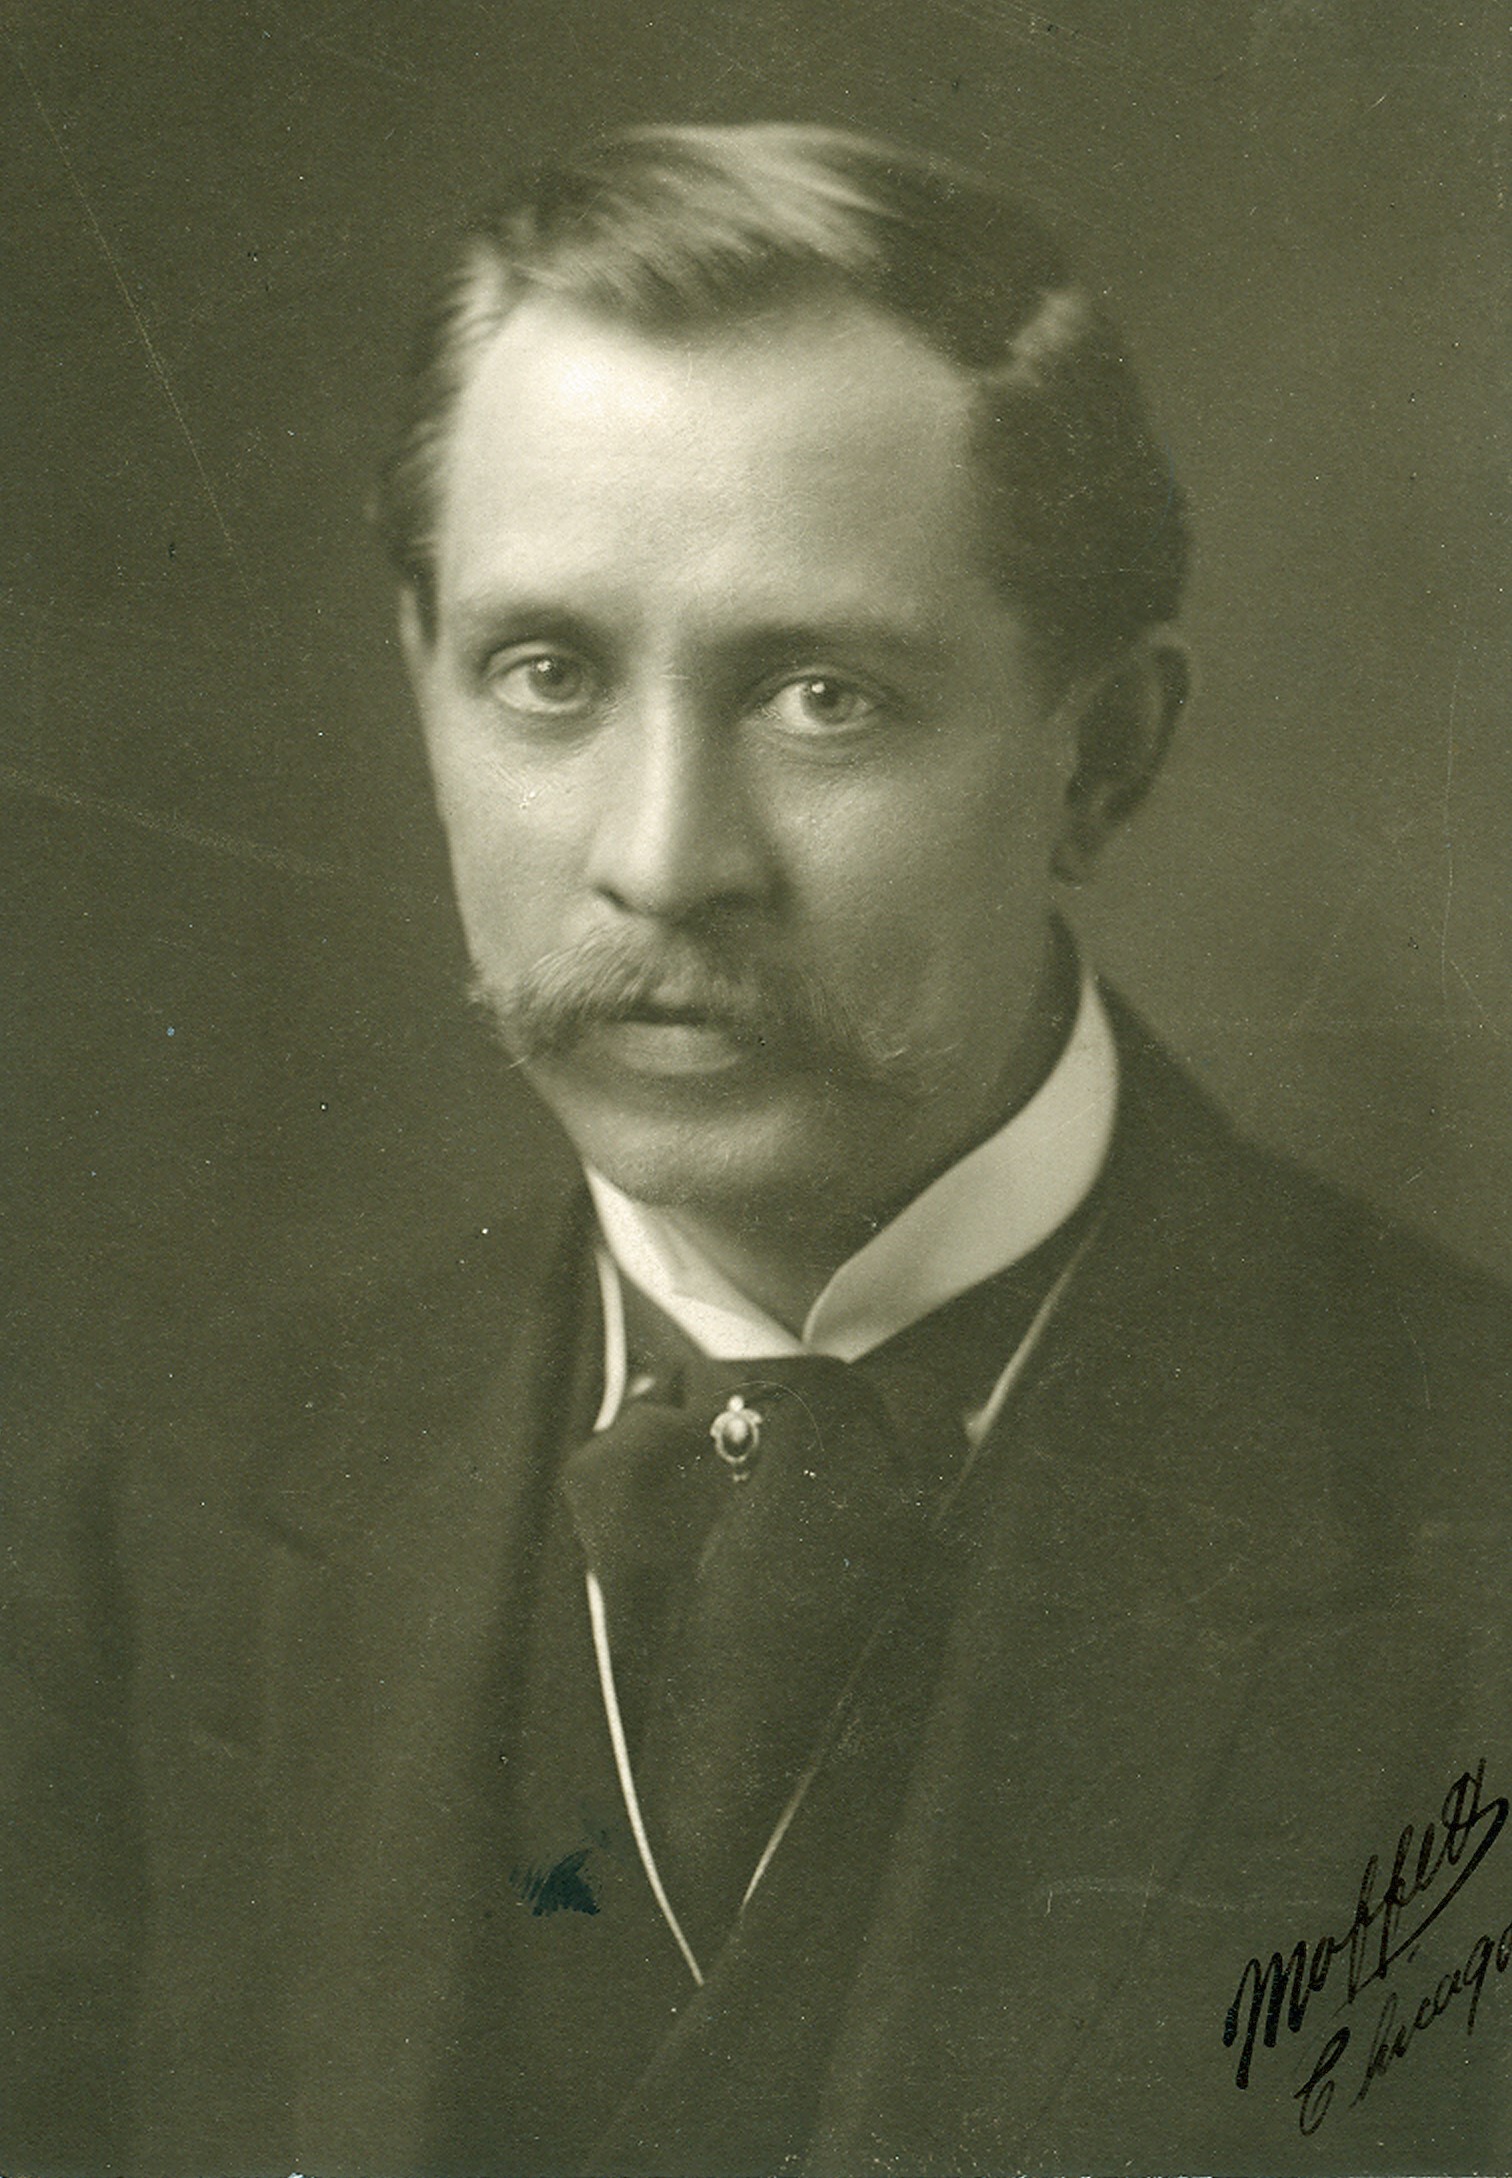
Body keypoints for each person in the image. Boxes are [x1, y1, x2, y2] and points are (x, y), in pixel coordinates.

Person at [6, 122, 1512, 2178]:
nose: (661, 859)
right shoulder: (167, 1528)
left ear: (1104, 753)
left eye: (823, 696)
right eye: (546, 675)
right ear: (424, 690)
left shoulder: (1465, 1527)